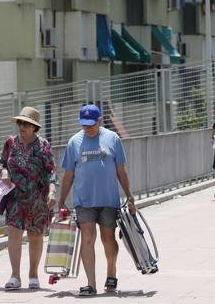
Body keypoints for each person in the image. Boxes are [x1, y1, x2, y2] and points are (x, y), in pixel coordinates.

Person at [58, 104, 136, 296]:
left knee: (107, 238)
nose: (88, 128)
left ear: (100, 121)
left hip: (108, 199)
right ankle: (91, 283)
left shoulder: (112, 138)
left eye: (91, 124)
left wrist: (130, 196)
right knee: (87, 237)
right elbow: (68, 175)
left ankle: (111, 271)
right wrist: (62, 200)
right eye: (84, 125)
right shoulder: (74, 142)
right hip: (84, 200)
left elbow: (121, 171)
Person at [0, 107, 57, 291]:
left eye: (26, 124)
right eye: (20, 123)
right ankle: (15, 276)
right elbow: (1, 162)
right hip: (15, 198)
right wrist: (5, 171)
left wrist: (52, 191)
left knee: (35, 235)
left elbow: (51, 171)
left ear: (34, 127)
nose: (21, 126)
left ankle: (33, 275)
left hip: (37, 198)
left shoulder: (43, 145)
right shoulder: (10, 143)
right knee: (14, 233)